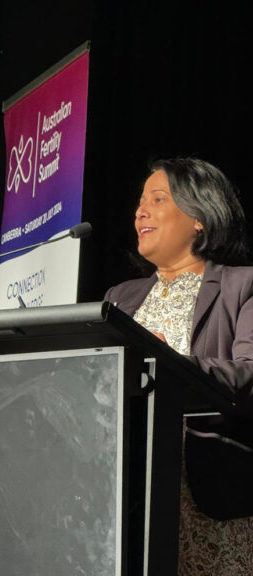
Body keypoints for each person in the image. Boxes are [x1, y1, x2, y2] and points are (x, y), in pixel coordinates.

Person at [104, 157, 253, 575]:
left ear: (199, 217)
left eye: (157, 199)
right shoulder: (118, 298)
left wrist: (174, 366)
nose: (140, 212)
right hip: (123, 487)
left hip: (207, 490)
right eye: (140, 202)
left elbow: (248, 373)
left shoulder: (242, 286)